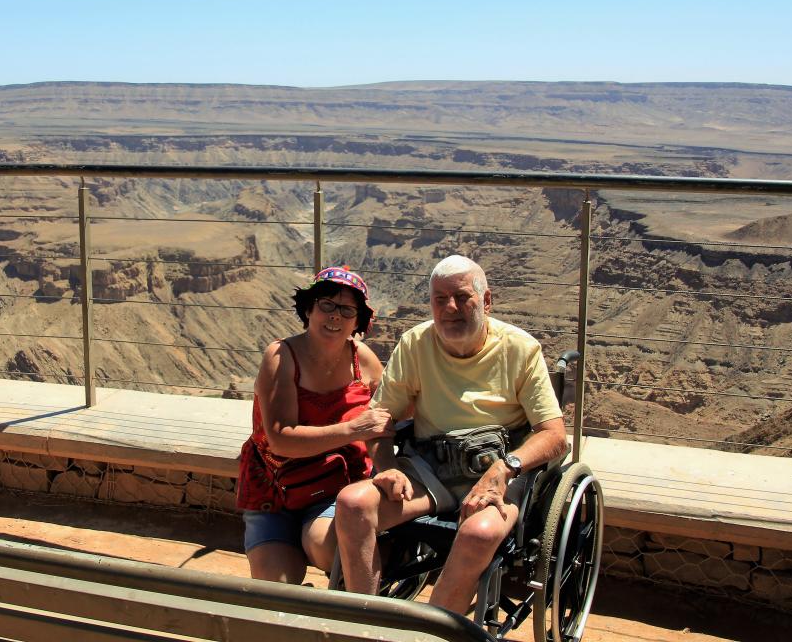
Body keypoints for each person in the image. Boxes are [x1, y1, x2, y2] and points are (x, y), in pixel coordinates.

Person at [334, 255, 567, 615]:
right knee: (353, 504)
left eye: (461, 297)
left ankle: (431, 632)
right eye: (439, 299)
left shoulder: (520, 349)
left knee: (480, 533)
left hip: (497, 469)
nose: (450, 308)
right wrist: (385, 465)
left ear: (486, 301)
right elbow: (380, 418)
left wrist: (504, 470)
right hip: (430, 468)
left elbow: (554, 435)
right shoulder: (416, 343)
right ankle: (367, 623)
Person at [236, 266, 394, 583]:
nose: (335, 316)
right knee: (275, 592)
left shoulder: (364, 362)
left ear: (358, 321)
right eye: (327, 304)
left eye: (347, 309)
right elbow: (280, 438)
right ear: (309, 308)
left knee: (327, 550)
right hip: (274, 489)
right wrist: (353, 429)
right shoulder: (280, 356)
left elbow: (389, 418)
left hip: (335, 488)